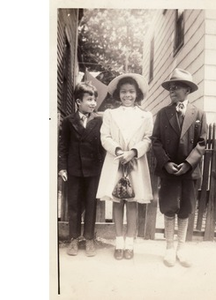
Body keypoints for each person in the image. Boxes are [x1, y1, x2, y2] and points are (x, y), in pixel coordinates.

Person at [151, 68, 208, 267]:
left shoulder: (198, 114)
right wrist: (166, 162)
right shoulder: (163, 113)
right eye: (170, 87)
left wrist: (187, 164)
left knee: (185, 208)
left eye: (177, 87)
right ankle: (168, 248)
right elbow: (155, 140)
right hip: (169, 170)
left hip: (188, 171)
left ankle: (181, 248)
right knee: (168, 207)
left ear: (187, 90)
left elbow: (201, 143)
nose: (172, 91)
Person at [96, 73, 153, 260]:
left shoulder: (145, 115)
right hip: (116, 161)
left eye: (131, 92)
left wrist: (133, 152)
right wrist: (119, 150)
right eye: (123, 92)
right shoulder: (111, 114)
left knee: (133, 202)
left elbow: (148, 139)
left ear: (137, 94)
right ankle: (119, 242)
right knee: (117, 202)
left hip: (135, 162)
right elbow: (105, 137)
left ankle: (130, 244)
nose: (127, 95)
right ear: (118, 94)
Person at [58, 81, 104, 257]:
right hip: (74, 170)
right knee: (74, 205)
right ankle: (74, 239)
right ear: (78, 102)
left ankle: (90, 238)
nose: (93, 103)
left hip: (93, 171)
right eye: (89, 99)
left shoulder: (99, 120)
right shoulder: (69, 121)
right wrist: (62, 167)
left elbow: (102, 146)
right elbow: (63, 146)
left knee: (91, 204)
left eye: (95, 99)